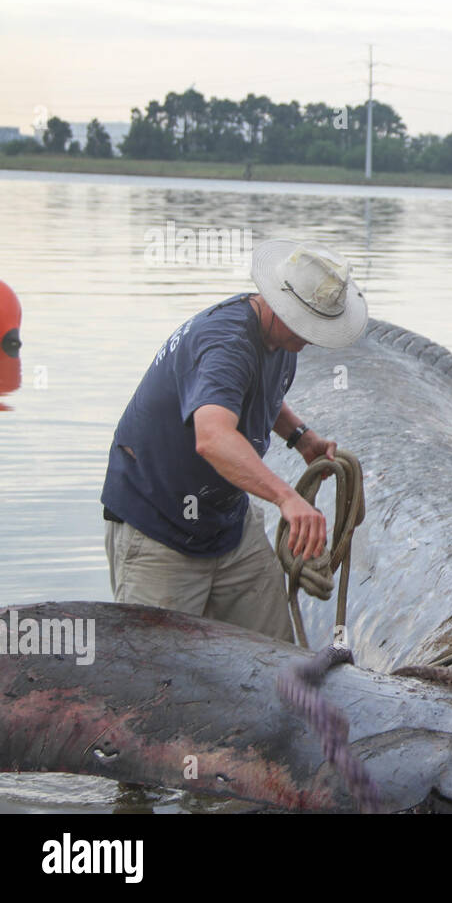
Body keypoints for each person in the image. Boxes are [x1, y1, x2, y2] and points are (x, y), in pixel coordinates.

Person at [100, 239, 369, 642]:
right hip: (158, 528)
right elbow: (212, 437)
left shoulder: (277, 337)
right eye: (306, 325)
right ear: (280, 305)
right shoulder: (225, 342)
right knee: (159, 675)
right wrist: (287, 498)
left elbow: (255, 394)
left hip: (227, 525)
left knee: (275, 657)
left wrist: (300, 437)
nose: (311, 338)